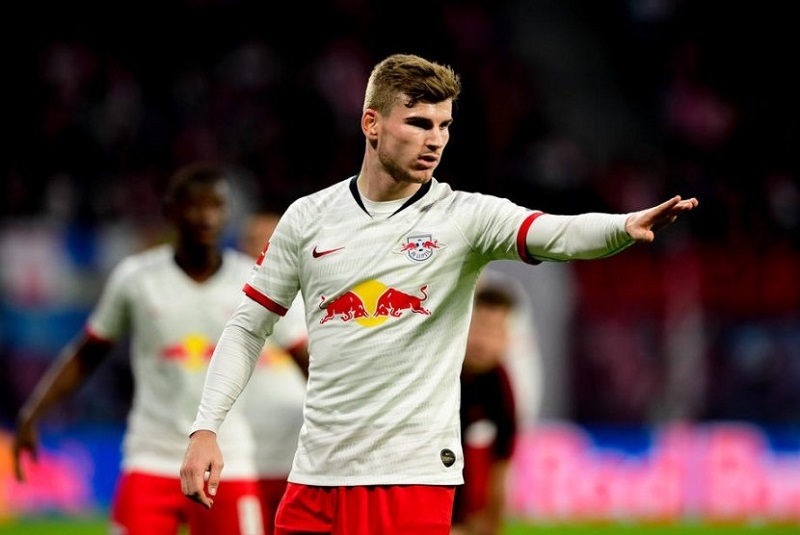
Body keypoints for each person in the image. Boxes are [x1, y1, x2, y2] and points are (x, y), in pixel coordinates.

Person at [180, 53, 699, 534]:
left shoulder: (463, 218)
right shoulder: (307, 218)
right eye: (419, 123)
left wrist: (623, 225)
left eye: (444, 125)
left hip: (408, 481)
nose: (436, 140)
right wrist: (205, 429)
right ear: (371, 123)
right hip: (314, 480)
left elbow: (555, 232)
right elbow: (247, 327)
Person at [13, 162, 265, 535]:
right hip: (151, 457)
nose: (206, 217)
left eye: (216, 206)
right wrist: (34, 411)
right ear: (171, 212)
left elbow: (303, 352)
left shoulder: (252, 280)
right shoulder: (136, 278)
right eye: (195, 205)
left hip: (228, 458)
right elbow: (88, 353)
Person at [237, 206, 309, 534]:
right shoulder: (229, 304)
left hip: (298, 455)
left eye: (269, 240)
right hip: (240, 457)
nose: (261, 249)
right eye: (253, 240)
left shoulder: (312, 298)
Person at [451, 279, 520, 535]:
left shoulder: (499, 384)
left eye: (496, 332)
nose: (484, 343)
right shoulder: (441, 375)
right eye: (479, 328)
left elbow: (502, 463)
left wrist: (491, 520)